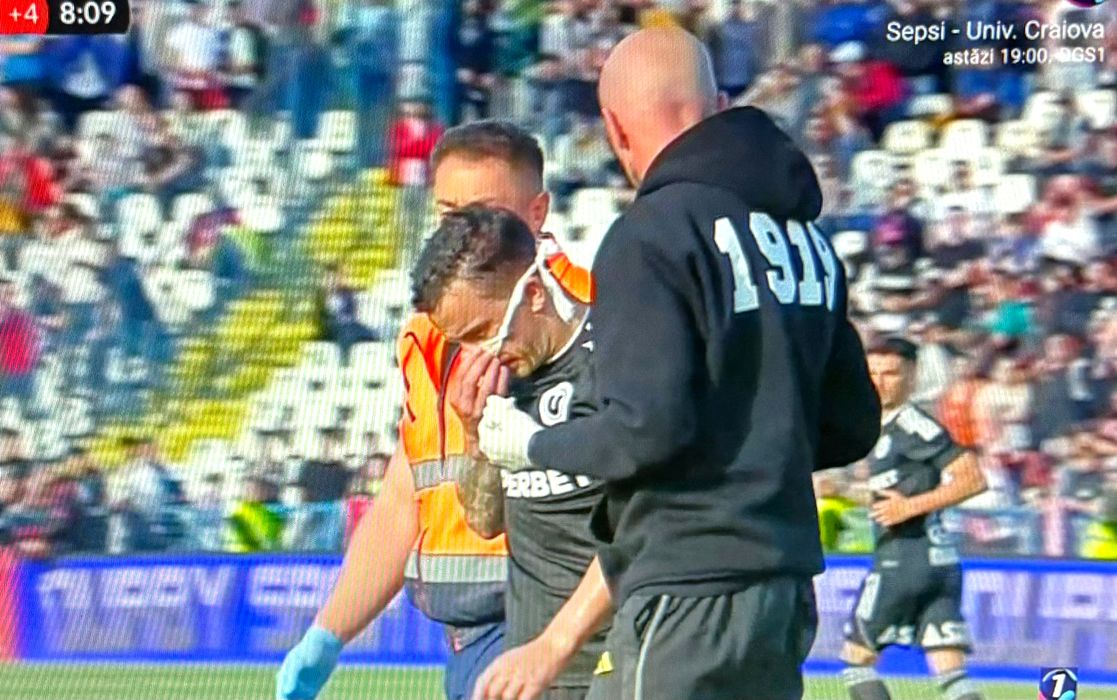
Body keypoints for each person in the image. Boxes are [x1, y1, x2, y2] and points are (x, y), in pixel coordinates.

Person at [476, 27, 879, 700]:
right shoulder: (805, 239)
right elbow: (851, 425)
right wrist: (754, 437)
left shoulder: (650, 235)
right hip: (781, 589)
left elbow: (644, 430)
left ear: (614, 127)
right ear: (717, 106)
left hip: (685, 587)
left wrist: (533, 444)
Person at [275, 121, 592, 700]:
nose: (463, 235)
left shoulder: (587, 319)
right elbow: (404, 501)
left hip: (543, 628)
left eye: (485, 214)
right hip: (466, 641)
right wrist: (327, 635)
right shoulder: (423, 338)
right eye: (449, 216)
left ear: (538, 213)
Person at [412, 206, 608, 700]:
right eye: (461, 343)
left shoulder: (614, 361)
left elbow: (643, 531)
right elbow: (485, 523)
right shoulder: (504, 383)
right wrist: (474, 434)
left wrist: (556, 644)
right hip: (531, 671)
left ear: (534, 293)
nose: (478, 355)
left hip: (616, 664)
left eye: (482, 332)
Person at [841, 337, 988, 700]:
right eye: (873, 373)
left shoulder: (914, 425)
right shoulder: (885, 427)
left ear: (912, 375)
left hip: (904, 560)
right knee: (949, 669)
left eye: (891, 373)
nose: (879, 382)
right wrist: (841, 489)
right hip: (939, 564)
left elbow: (972, 478)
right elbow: (894, 497)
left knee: (857, 661)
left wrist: (910, 508)